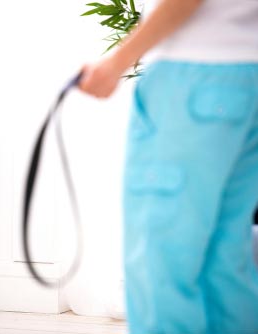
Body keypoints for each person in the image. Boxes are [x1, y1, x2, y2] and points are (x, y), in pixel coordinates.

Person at [79, 0, 258, 333]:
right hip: (246, 76)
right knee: (224, 261)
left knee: (162, 261)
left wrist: (117, 61)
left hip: (193, 77)